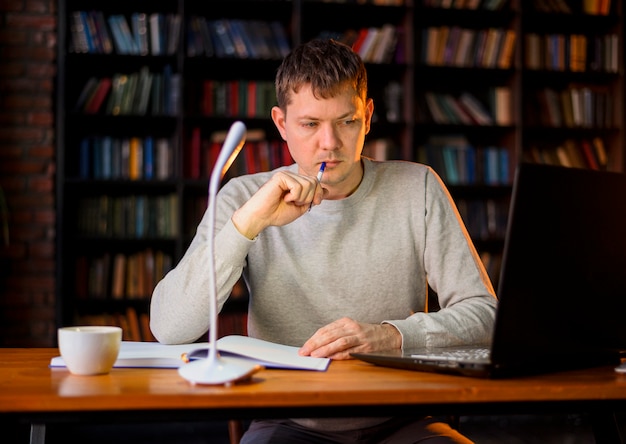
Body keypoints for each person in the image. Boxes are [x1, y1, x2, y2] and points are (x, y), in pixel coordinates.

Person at [150, 38, 497, 443]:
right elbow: (169, 328)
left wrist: (391, 335)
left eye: (346, 121)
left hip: (404, 419)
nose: (330, 143)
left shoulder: (417, 186)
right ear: (281, 124)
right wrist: (247, 225)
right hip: (287, 420)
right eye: (310, 124)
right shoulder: (244, 198)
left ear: (367, 117)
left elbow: (486, 316)